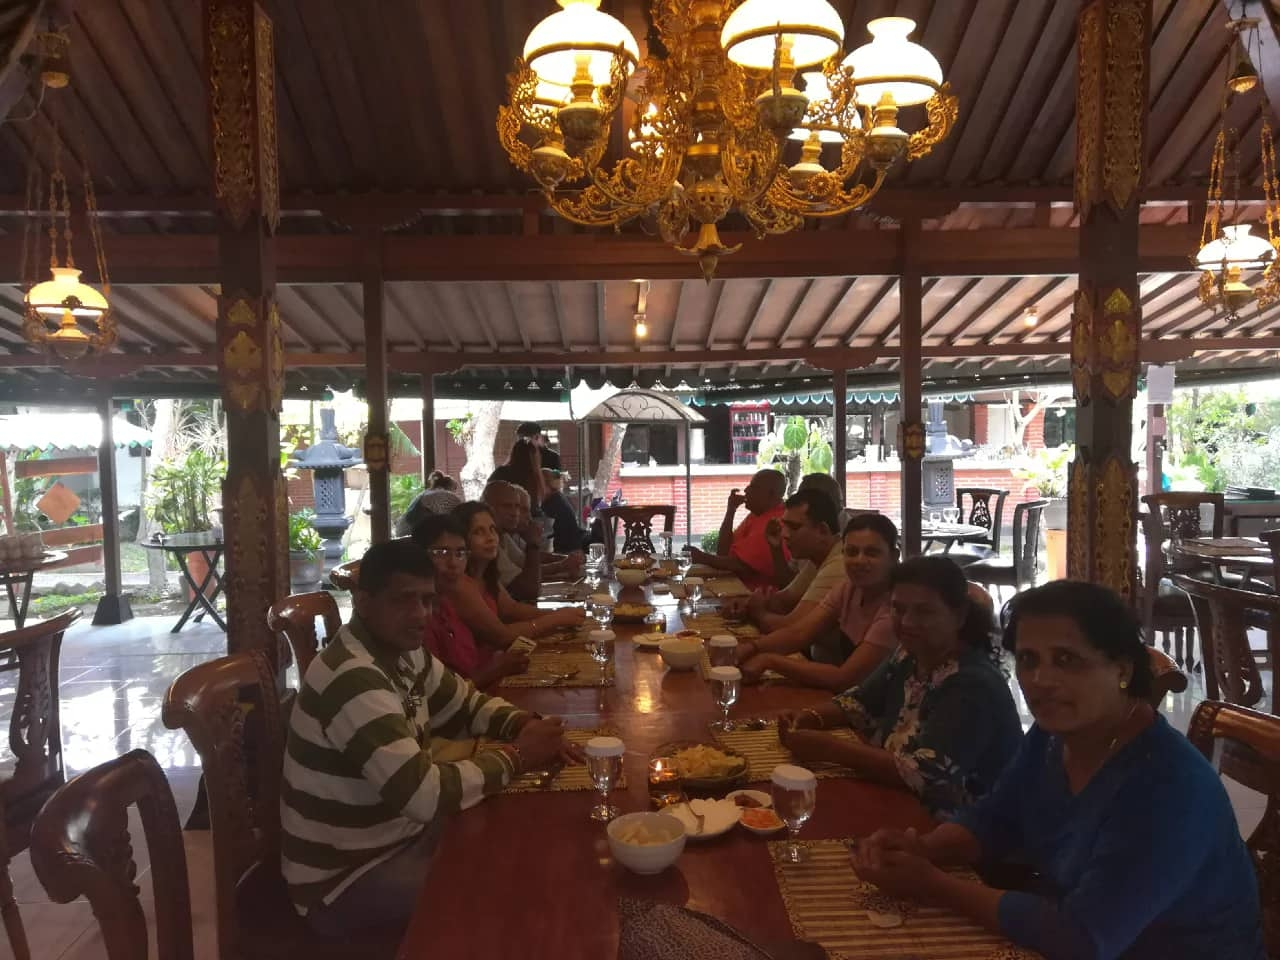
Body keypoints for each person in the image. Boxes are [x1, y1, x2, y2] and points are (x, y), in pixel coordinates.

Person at [852, 580, 1265, 960]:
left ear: (1122, 670)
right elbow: (994, 819)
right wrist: (924, 849)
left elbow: (1082, 937)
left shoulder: (1168, 787)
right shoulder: (1055, 737)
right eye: (1028, 659)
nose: (1041, 680)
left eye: (1067, 660)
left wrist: (933, 884)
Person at [280, 539, 582, 937]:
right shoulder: (353, 677)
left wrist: (525, 723)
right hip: (343, 880)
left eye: (427, 600)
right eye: (404, 600)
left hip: (401, 836)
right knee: (513, 886)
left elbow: (466, 704)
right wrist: (519, 756)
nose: (420, 614)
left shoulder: (402, 651)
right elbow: (423, 794)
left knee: (528, 840)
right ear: (364, 602)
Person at [777, 555, 1022, 816]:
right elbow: (860, 701)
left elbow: (922, 774)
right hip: (899, 801)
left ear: (959, 616)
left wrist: (828, 748)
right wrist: (810, 716)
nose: (906, 622)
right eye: (898, 609)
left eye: (924, 611)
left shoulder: (973, 684)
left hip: (959, 827)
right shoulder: (909, 653)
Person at [737, 513, 901, 688]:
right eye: (852, 552)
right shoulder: (848, 588)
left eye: (872, 553)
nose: (859, 560)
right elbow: (799, 633)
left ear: (894, 556)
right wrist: (752, 648)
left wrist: (770, 661)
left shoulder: (897, 609)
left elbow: (844, 678)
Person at [411, 513, 530, 689]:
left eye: (460, 553)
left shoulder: (447, 604)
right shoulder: (415, 617)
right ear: (419, 556)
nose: (453, 563)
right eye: (441, 552)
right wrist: (494, 670)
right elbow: (434, 695)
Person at [448, 500, 585, 647]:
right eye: (478, 532)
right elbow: (501, 636)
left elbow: (511, 609)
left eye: (492, 529)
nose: (490, 537)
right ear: (461, 540)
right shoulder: (460, 584)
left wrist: (561, 613)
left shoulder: (484, 575)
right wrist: (556, 619)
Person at [727, 488, 846, 642]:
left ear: (823, 530)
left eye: (794, 527)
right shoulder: (817, 558)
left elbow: (792, 629)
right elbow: (783, 601)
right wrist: (746, 604)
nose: (784, 534)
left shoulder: (839, 564)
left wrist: (758, 612)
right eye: (784, 526)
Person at [689, 469, 789, 590]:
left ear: (771, 494)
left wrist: (701, 557)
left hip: (753, 594)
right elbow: (723, 552)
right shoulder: (756, 515)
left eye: (753, 487)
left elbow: (740, 565)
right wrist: (731, 510)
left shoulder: (775, 522)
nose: (746, 490)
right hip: (732, 585)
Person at [482, 480, 545, 603]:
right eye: (507, 506)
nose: (514, 513)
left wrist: (563, 564)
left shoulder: (503, 536)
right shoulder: (490, 542)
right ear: (488, 507)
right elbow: (529, 590)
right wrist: (533, 544)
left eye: (517, 506)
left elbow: (524, 566)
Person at [392, 470, 463, 537]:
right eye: (454, 490)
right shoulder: (443, 495)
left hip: (402, 530)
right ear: (450, 487)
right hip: (410, 533)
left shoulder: (426, 493)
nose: (454, 493)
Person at [489, 438, 546, 515]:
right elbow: (539, 503)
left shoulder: (500, 472)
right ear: (533, 456)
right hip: (527, 517)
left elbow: (488, 493)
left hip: (501, 517)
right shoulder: (534, 477)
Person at [541, 466, 586, 558]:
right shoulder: (558, 497)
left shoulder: (552, 502)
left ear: (546, 485)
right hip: (573, 546)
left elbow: (544, 532)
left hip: (565, 552)